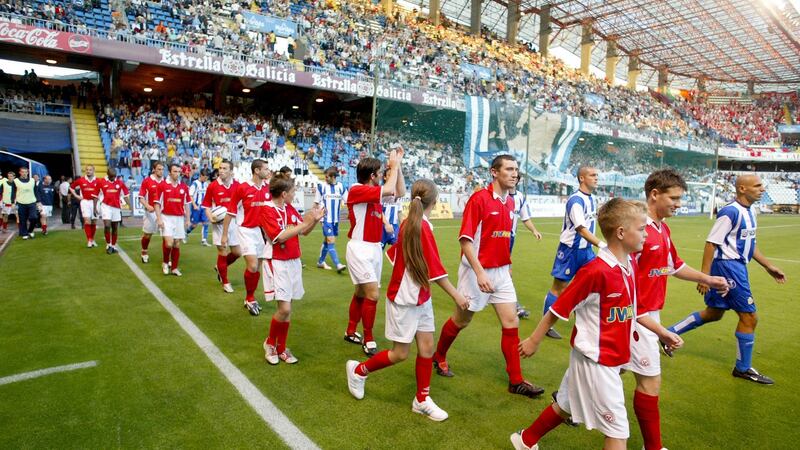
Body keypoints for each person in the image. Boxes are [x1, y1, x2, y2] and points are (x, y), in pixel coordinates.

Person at [510, 198, 683, 450]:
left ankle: (525, 441)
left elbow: (632, 311)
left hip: (608, 358)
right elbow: (558, 309)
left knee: (566, 405)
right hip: (595, 361)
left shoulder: (629, 265)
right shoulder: (595, 271)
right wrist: (535, 339)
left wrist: (661, 333)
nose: (647, 234)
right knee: (617, 433)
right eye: (642, 228)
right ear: (622, 233)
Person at [345, 179, 470, 422]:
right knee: (400, 354)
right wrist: (456, 295)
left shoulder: (413, 224)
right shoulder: (419, 227)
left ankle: (421, 399)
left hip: (420, 297)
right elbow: (434, 268)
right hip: (404, 299)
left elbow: (396, 256)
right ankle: (359, 371)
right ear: (434, 201)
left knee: (426, 348)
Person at [623, 169, 730, 450]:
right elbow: (619, 274)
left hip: (646, 314)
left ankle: (528, 438)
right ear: (654, 195)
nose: (679, 204)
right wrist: (654, 328)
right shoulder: (637, 229)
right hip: (634, 316)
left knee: (591, 380)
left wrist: (707, 278)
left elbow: (674, 265)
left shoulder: (662, 227)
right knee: (649, 383)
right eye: (675, 198)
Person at [431, 154, 543, 399]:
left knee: (511, 322)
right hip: (476, 273)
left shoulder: (511, 202)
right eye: (509, 169)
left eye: (516, 170)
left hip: (502, 272)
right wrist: (480, 272)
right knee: (462, 320)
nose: (515, 174)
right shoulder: (479, 199)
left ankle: (515, 381)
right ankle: (438, 356)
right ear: (494, 172)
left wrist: (505, 267)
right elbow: (465, 240)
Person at [667, 174, 786, 384]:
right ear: (742, 188)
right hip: (729, 268)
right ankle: (743, 368)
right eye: (757, 186)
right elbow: (710, 243)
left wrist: (768, 266)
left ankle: (668, 334)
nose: (762, 189)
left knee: (715, 313)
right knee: (750, 318)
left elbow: (750, 243)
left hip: (736, 266)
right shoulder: (730, 212)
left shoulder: (751, 211)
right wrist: (704, 276)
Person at [260, 173, 325, 365]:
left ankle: (282, 348)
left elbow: (303, 231)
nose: (294, 194)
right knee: (284, 308)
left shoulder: (288, 208)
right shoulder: (267, 210)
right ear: (283, 194)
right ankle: (270, 343)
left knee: (288, 310)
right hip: (277, 261)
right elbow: (278, 237)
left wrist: (314, 221)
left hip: (294, 261)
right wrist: (304, 222)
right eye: (292, 191)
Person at [344, 149, 403, 356]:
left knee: (361, 292)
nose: (382, 175)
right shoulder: (356, 189)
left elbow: (400, 192)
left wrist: (399, 166)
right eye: (379, 172)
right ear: (372, 175)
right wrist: (393, 166)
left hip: (374, 248)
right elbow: (388, 189)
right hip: (359, 248)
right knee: (373, 294)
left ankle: (350, 330)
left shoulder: (376, 194)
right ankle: (368, 338)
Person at [540, 166, 603, 339]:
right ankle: (545, 325)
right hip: (570, 251)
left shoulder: (592, 199)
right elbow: (581, 229)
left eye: (597, 175)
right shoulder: (576, 200)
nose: (596, 178)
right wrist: (602, 245)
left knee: (589, 287)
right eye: (592, 175)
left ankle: (585, 325)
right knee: (559, 288)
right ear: (582, 178)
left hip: (587, 251)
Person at [222, 159, 272, 316]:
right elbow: (230, 212)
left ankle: (250, 296)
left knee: (256, 267)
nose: (268, 171)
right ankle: (250, 298)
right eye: (265, 169)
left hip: (261, 232)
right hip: (245, 230)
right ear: (257, 171)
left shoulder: (267, 189)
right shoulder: (242, 188)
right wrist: (224, 235)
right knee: (252, 265)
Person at [203, 160, 242, 294]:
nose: (221, 170)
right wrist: (211, 218)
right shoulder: (212, 186)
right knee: (222, 252)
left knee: (238, 253)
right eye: (220, 168)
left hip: (234, 223)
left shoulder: (238, 185)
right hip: (219, 224)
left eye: (225, 168)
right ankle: (225, 282)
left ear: (231, 171)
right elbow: (207, 206)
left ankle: (220, 267)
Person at [509, 179, 542, 319]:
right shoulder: (496, 196)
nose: (512, 178)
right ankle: (514, 306)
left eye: (515, 176)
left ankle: (481, 294)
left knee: (500, 271)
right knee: (506, 272)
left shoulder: (520, 197)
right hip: (495, 238)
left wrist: (534, 230)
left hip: (509, 238)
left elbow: (525, 217)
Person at [154, 164, 191, 276]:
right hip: (166, 217)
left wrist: (188, 219)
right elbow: (157, 203)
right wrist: (159, 219)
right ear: (169, 173)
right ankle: (165, 263)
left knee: (176, 244)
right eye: (175, 171)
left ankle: (174, 268)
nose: (177, 174)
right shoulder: (162, 186)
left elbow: (187, 204)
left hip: (179, 218)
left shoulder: (184, 187)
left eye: (179, 171)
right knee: (169, 243)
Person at [314, 167, 348, 272]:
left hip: (335, 220)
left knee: (327, 241)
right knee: (330, 240)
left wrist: (350, 213)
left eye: (327, 176)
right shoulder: (321, 187)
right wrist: (314, 216)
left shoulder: (341, 187)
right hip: (325, 219)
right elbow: (316, 203)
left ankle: (320, 262)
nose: (325, 178)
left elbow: (347, 202)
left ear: (333, 177)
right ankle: (338, 264)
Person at [97, 168, 130, 254]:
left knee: (115, 228)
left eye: (114, 176)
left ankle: (113, 245)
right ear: (108, 175)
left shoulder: (120, 183)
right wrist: (95, 207)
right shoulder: (101, 182)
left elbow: (125, 195)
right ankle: (108, 244)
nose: (113, 178)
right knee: (107, 225)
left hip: (116, 207)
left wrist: (130, 206)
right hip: (106, 206)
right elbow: (96, 194)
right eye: (111, 177)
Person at [139, 162, 164, 263]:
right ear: (154, 169)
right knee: (147, 235)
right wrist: (147, 206)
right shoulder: (147, 181)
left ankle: (166, 259)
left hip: (163, 212)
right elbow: (141, 197)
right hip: (151, 212)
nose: (161, 171)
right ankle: (144, 251)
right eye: (159, 169)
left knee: (166, 235)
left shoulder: (165, 182)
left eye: (162, 169)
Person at [70, 165, 100, 248]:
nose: (88, 171)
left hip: (95, 203)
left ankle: (92, 239)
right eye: (87, 170)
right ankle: (89, 240)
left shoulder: (98, 180)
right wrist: (76, 196)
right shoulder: (81, 180)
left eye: (90, 170)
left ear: (93, 171)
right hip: (85, 202)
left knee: (94, 222)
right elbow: (71, 187)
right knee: (87, 221)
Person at [380, 161, 406, 249]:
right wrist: (386, 224)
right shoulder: (381, 191)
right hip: (382, 227)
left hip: (394, 226)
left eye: (393, 175)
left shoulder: (398, 192)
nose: (392, 177)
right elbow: (378, 209)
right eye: (389, 175)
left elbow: (399, 211)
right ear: (384, 177)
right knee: (378, 252)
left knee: (400, 250)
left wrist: (403, 225)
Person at [13, 167, 40, 240]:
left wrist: (38, 202)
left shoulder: (32, 180)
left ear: (28, 172)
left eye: (26, 172)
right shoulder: (15, 181)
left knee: (34, 217)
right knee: (22, 220)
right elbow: (13, 192)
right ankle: (24, 233)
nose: (24, 173)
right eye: (23, 172)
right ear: (20, 172)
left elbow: (36, 191)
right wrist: (13, 202)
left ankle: (30, 230)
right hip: (21, 203)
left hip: (32, 202)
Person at [186, 169, 210, 246]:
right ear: (201, 176)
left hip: (204, 207)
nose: (206, 179)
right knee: (194, 225)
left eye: (207, 178)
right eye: (205, 177)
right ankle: (185, 233)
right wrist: (194, 205)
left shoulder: (206, 184)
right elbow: (190, 195)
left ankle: (204, 240)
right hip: (196, 207)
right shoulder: (195, 184)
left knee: (206, 223)